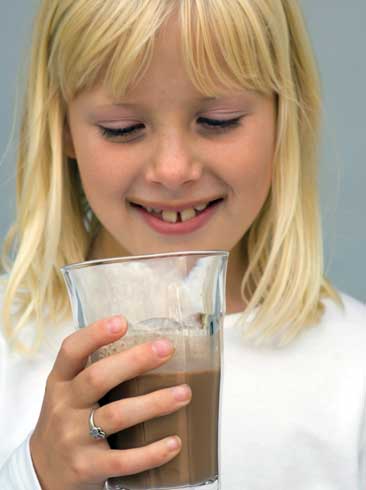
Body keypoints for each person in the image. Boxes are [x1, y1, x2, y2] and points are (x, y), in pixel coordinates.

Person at [0, 0, 365, 489]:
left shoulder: (352, 369)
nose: (173, 171)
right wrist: (35, 475)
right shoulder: (10, 347)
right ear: (62, 126)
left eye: (219, 120)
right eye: (122, 129)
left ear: (285, 116)